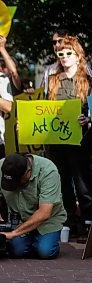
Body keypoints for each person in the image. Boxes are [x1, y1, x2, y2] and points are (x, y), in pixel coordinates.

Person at [45, 36, 92, 234]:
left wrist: (87, 120)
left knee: (82, 182)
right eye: (60, 53)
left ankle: (88, 222)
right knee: (62, 181)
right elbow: (44, 107)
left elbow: (91, 109)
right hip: (55, 140)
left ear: (77, 55)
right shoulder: (53, 79)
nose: (64, 57)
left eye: (68, 53)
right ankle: (70, 222)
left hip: (79, 139)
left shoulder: (87, 80)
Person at [0, 153, 67, 259]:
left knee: (45, 251)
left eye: (16, 182)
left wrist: (14, 233)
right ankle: (29, 242)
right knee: (17, 252)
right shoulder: (0, 167)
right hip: (18, 219)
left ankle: (40, 241)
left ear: (28, 173)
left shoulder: (48, 170)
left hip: (47, 221)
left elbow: (44, 213)